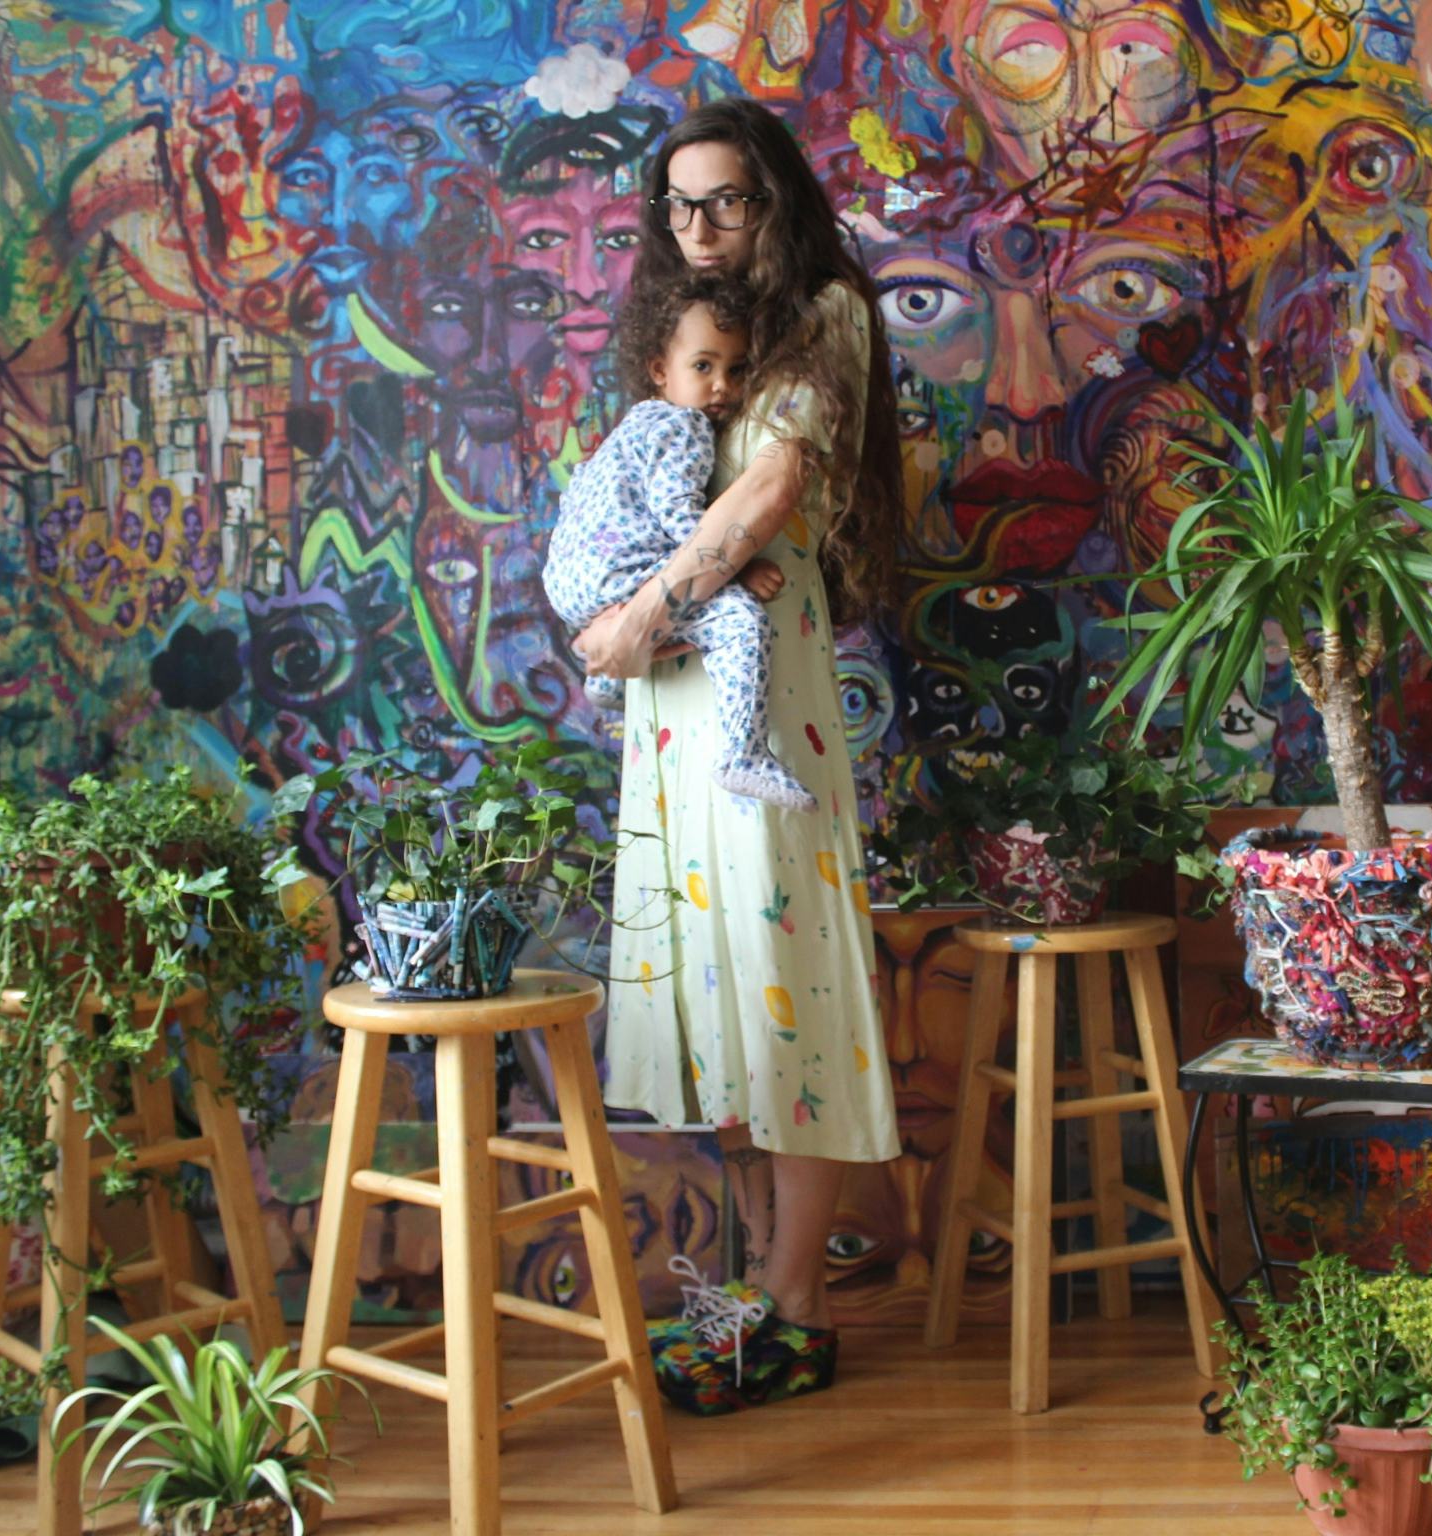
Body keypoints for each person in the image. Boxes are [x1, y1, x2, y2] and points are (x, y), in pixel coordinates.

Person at [572, 96, 906, 1415]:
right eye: (681, 205)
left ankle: (801, 1305)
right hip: (673, 692)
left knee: (784, 970)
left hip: (763, 667)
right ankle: (764, 1285)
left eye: (729, 201)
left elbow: (766, 497)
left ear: (776, 202)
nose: (702, 227)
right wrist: (627, 615)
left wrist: (641, 612)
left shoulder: (823, 312)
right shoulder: (690, 325)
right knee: (714, 980)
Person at [543, 273, 813, 811]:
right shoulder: (682, 427)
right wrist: (739, 569)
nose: (722, 386)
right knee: (738, 620)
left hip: (573, 584)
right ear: (661, 371)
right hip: (622, 574)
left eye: (737, 370)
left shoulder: (633, 426)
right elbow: (678, 515)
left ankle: (606, 683)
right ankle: (745, 752)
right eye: (703, 366)